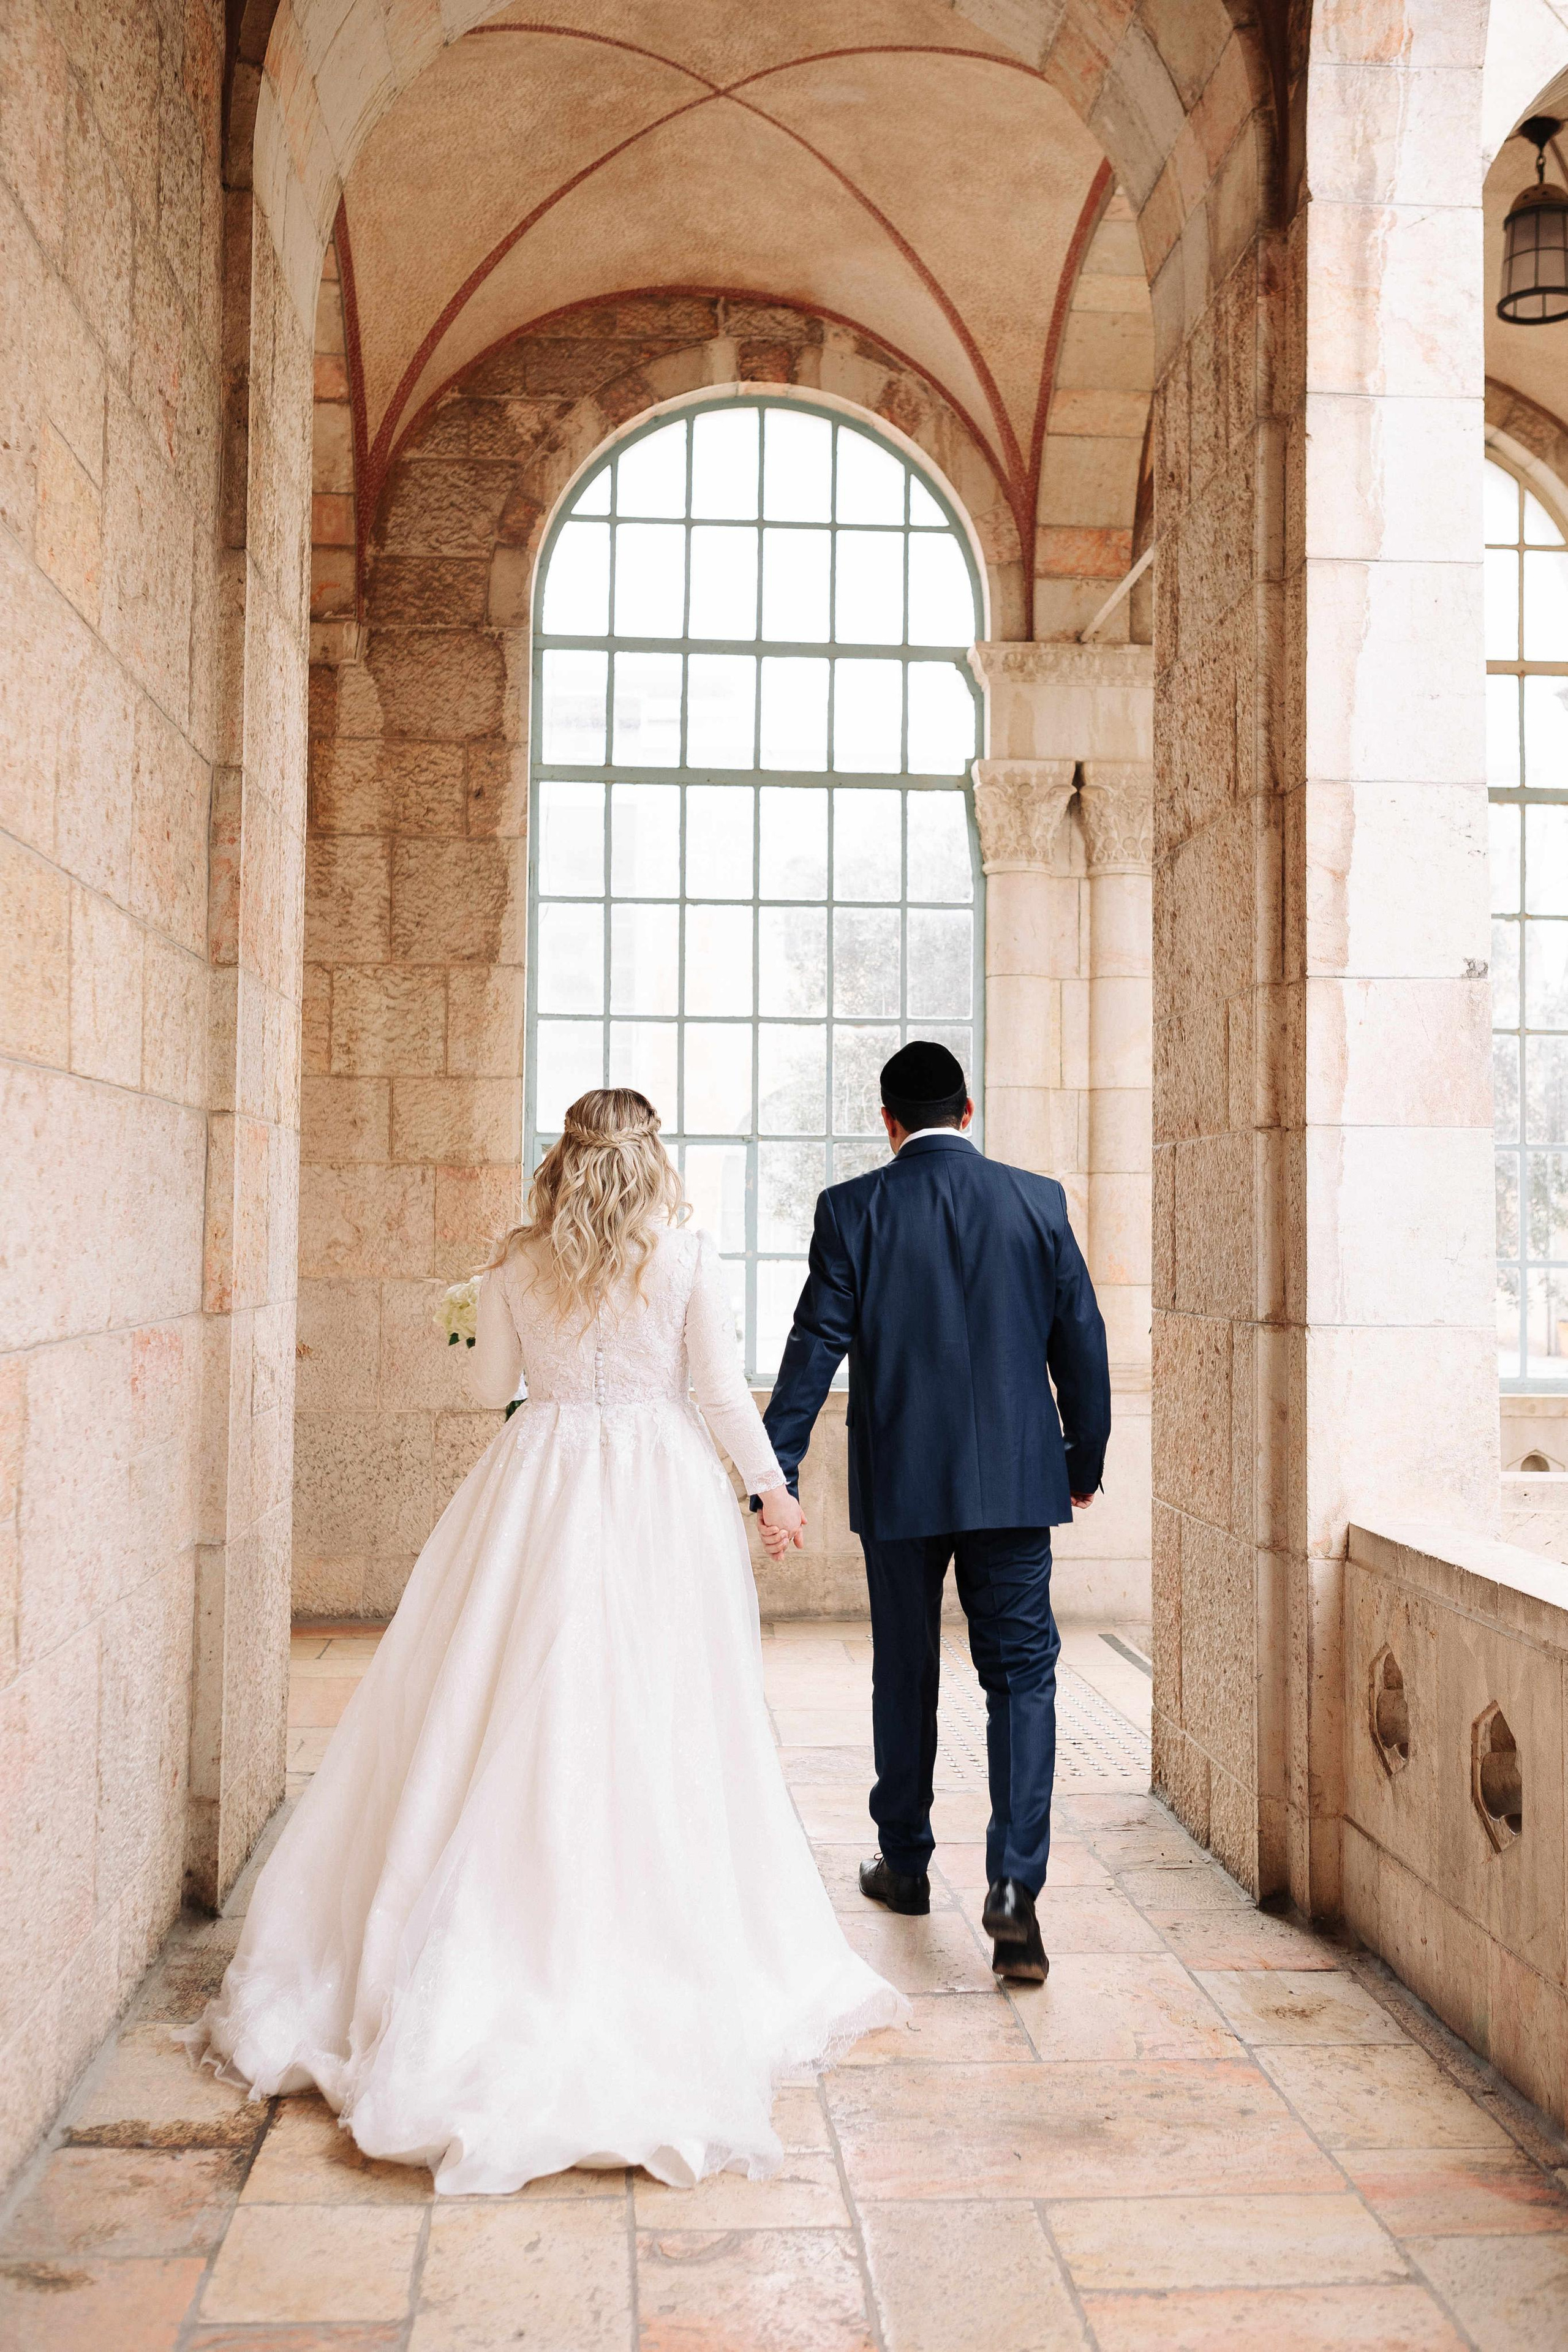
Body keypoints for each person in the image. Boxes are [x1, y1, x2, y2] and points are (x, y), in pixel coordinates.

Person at [182, 1090, 904, 2195]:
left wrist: (481, 1319)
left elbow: (491, 1391)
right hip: (661, 1492)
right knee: (661, 1708)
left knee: (506, 1698)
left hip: (542, 1483)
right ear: (654, 1155)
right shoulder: (689, 1255)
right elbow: (717, 1391)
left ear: (564, 1157)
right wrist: (770, 1495)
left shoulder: (517, 1262)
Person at [755, 1041, 1111, 1985]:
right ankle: (1013, 1892)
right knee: (1022, 1677)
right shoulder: (1037, 1201)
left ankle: (906, 1866)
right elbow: (1082, 1336)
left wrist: (773, 1468)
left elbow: (814, 1344)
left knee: (905, 1672)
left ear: (889, 1121)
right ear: (968, 1113)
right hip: (1014, 1485)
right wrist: (1084, 1459)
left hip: (904, 1483)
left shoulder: (852, 1211)